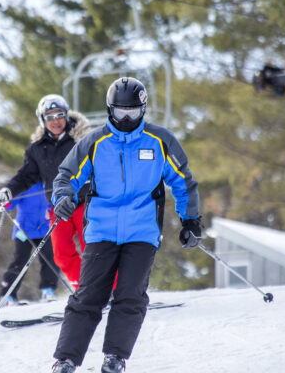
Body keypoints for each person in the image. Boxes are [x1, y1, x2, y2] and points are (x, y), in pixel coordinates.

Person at [49, 77, 201, 373]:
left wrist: (191, 219)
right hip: (102, 229)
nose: (127, 119)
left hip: (142, 230)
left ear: (143, 109)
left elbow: (184, 182)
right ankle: (66, 358)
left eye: (133, 112)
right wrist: (63, 198)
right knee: (88, 296)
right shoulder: (94, 142)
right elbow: (66, 176)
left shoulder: (160, 141)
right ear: (110, 110)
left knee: (130, 294)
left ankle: (115, 357)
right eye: (121, 113)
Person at [0, 94, 91, 290]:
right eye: (49, 117)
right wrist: (7, 192)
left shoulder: (82, 141)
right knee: (60, 254)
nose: (55, 121)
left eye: (59, 115)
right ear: (42, 120)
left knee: (95, 249)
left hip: (85, 203)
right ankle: (85, 290)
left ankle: (111, 289)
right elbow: (25, 176)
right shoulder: (37, 149)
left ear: (67, 115)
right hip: (58, 207)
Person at [0, 182, 58, 304]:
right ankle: (8, 296)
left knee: (51, 259)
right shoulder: (25, 182)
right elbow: (10, 204)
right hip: (24, 231)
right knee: (19, 261)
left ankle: (48, 290)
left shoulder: (50, 182)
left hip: (44, 229)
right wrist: (4, 201)